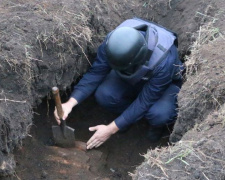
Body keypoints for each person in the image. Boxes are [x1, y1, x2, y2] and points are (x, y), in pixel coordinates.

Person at [54, 18, 184, 150]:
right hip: (129, 75)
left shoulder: (164, 61)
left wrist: (110, 129)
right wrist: (70, 104)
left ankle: (155, 127)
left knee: (159, 114)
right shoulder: (112, 43)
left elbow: (145, 101)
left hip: (163, 86)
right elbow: (96, 73)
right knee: (105, 95)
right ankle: (125, 119)